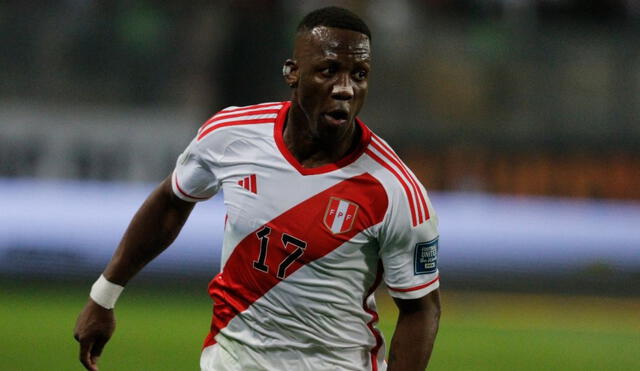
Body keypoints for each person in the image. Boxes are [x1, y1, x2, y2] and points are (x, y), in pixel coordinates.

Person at [74, 6, 441, 371]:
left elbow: (421, 309)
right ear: (292, 73)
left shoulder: (394, 189)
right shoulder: (232, 135)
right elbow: (172, 202)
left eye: (359, 74)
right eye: (329, 70)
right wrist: (104, 295)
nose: (345, 88)